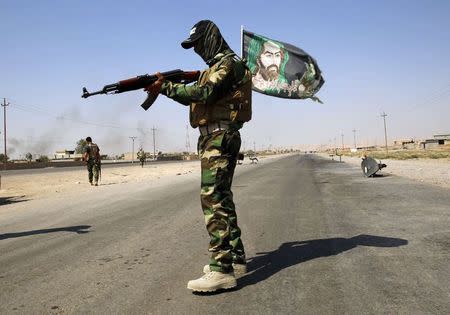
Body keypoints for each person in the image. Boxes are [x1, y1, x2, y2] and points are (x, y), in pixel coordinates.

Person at [145, 20, 252, 292]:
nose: (197, 50)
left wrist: (165, 88)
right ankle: (234, 258)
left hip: (220, 137)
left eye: (199, 44)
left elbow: (205, 92)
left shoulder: (228, 64)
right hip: (212, 137)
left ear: (212, 39)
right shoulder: (214, 68)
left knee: (213, 199)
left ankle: (221, 270)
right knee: (222, 198)